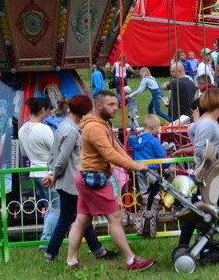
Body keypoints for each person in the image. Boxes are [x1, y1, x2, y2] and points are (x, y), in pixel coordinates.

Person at [65, 91, 154, 272]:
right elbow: (109, 154)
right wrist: (135, 166)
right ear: (99, 106)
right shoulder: (95, 128)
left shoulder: (101, 124)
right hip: (94, 179)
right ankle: (131, 261)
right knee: (115, 217)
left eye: (116, 104)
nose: (116, 108)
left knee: (82, 220)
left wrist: (132, 163)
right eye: (111, 105)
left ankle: (72, 261)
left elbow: (116, 148)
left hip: (87, 177)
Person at [42, 94, 117, 263]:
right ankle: (50, 253)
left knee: (83, 216)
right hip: (70, 182)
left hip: (68, 181)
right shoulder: (71, 131)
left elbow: (55, 154)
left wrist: (52, 172)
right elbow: (63, 157)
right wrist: (54, 173)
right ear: (84, 112)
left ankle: (98, 250)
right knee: (69, 219)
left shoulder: (64, 126)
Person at [176, 88, 219, 253]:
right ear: (217, 103)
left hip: (212, 171)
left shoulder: (208, 122)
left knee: (198, 209)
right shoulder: (208, 123)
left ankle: (184, 245)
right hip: (211, 173)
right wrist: (217, 157)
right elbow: (199, 149)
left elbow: (193, 134)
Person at [18, 97, 59, 245]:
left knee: (48, 206)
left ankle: (51, 237)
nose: (49, 113)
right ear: (43, 110)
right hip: (48, 173)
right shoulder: (44, 129)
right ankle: (46, 239)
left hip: (34, 172)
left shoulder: (22, 129)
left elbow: (23, 152)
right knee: (55, 207)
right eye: (48, 110)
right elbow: (56, 151)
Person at [128, 114, 167, 194]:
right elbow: (161, 155)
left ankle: (145, 202)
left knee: (144, 190)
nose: (158, 130)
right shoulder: (154, 141)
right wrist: (167, 165)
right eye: (158, 127)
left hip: (139, 169)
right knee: (154, 189)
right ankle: (154, 203)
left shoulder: (136, 141)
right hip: (151, 169)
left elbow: (134, 153)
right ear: (153, 128)